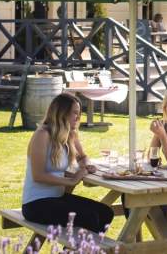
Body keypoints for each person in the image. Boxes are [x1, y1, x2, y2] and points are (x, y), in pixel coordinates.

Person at [21, 93, 113, 233]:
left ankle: (81, 249)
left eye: (79, 113)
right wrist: (73, 180)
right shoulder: (42, 135)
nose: (78, 117)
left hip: (57, 198)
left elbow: (83, 157)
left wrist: (86, 165)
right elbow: (38, 175)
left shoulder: (69, 134)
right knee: (90, 217)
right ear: (62, 113)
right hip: (36, 204)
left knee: (106, 212)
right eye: (74, 113)